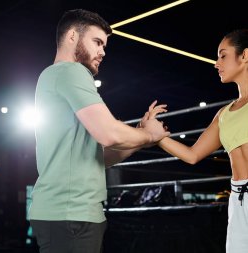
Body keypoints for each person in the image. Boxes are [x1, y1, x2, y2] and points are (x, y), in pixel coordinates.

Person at [143, 29, 248, 252]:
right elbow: (193, 155)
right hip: (239, 201)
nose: (216, 63)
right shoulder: (224, 113)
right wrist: (156, 137)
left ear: (245, 56)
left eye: (223, 55)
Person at [28, 9, 169, 253]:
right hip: (71, 215)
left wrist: (139, 136)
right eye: (97, 42)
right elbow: (109, 134)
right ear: (72, 36)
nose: (103, 51)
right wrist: (151, 135)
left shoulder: (52, 76)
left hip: (68, 214)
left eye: (104, 45)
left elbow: (100, 157)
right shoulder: (70, 71)